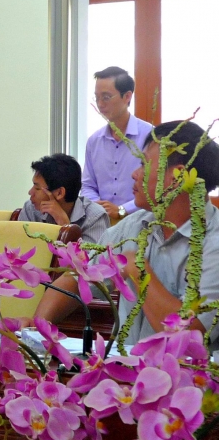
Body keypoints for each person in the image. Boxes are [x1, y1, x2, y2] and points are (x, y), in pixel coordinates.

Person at [33, 121, 219, 346]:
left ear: (177, 176)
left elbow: (189, 336)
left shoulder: (214, 243)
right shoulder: (133, 225)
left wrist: (137, 268)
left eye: (144, 164)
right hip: (123, 365)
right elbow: (78, 277)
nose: (134, 174)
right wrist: (36, 329)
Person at [80, 66, 153, 224]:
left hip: (141, 222)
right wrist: (98, 207)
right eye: (97, 97)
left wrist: (122, 209)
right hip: (101, 222)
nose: (100, 104)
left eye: (106, 97)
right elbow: (87, 185)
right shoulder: (94, 141)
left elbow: (156, 187)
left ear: (127, 96)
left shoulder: (151, 137)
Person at [17, 153, 109, 244]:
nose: (30, 192)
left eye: (37, 188)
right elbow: (19, 247)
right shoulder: (31, 209)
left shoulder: (95, 217)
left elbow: (92, 254)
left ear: (59, 193)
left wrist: (66, 227)